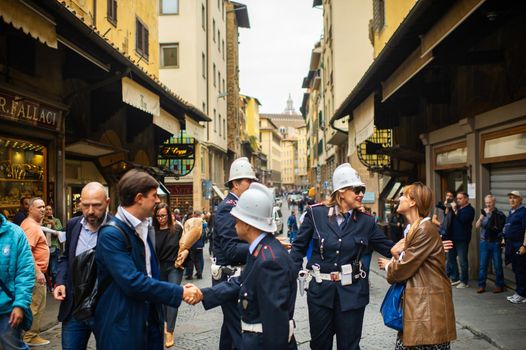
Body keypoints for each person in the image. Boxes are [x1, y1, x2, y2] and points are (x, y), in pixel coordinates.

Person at [290, 163, 394, 350]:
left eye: (362, 189)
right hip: (320, 294)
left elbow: (390, 249)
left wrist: (426, 243)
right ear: (341, 192)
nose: (361, 194)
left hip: (352, 293)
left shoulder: (367, 222)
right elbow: (297, 249)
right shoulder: (316, 214)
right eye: (356, 190)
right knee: (320, 346)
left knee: (350, 347)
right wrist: (291, 278)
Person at [93, 169, 196, 349]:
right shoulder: (111, 234)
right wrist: (178, 292)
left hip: (150, 322)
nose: (157, 201)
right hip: (123, 325)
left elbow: (150, 272)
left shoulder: (143, 226)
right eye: (154, 195)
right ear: (139, 198)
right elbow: (132, 281)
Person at [195, 183, 298, 349]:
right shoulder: (259, 249)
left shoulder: (269, 261)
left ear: (249, 224)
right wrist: (203, 294)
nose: (234, 222)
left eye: (238, 218)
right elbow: (241, 281)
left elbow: (276, 325)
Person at [378, 182, 456, 349]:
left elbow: (400, 271)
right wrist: (394, 253)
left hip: (427, 311)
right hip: (420, 307)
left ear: (413, 202)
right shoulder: (415, 228)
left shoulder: (423, 229)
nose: (399, 198)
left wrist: (388, 266)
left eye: (404, 195)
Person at [54, 182, 111, 349]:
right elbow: (65, 258)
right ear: (80, 204)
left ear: (107, 202)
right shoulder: (73, 225)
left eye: (97, 205)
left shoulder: (117, 228)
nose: (91, 211)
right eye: (86, 205)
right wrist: (61, 282)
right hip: (74, 307)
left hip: (104, 309)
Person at [211, 157, 258, 350]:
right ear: (236, 183)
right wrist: (260, 244)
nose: (252, 185)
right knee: (239, 330)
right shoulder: (227, 208)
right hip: (229, 277)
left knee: (229, 332)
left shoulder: (238, 205)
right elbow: (231, 251)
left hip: (237, 277)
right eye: (249, 181)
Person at [0, 214, 35, 350]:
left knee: (12, 345)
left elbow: (25, 273)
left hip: (7, 307)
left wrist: (20, 305)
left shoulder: (15, 233)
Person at [152, 203, 184, 348]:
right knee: (161, 298)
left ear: (169, 215)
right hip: (158, 268)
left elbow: (185, 245)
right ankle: (164, 323)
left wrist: (186, 253)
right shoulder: (152, 231)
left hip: (174, 267)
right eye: (158, 216)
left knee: (172, 296)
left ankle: (170, 330)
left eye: (163, 215)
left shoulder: (177, 229)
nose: (160, 219)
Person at [20, 198, 50, 346]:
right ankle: (30, 336)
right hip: (34, 274)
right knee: (35, 305)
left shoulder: (32, 224)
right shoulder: (31, 227)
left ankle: (30, 335)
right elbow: (27, 252)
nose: (43, 209)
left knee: (35, 305)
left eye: (44, 206)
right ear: (30, 209)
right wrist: (38, 272)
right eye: (39, 207)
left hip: (34, 272)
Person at [475, 194, 506, 293]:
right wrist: (481, 217)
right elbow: (476, 226)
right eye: (487, 203)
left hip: (495, 242)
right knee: (483, 265)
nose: (488, 205)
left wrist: (502, 240)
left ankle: (499, 285)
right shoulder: (483, 213)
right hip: (484, 242)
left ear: (494, 203)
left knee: (497, 265)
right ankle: (481, 285)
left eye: (490, 203)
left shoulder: (499, 214)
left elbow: (503, 228)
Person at [447, 191, 475, 288]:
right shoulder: (458, 208)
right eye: (457, 198)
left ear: (466, 199)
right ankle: (455, 278)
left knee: (462, 260)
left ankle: (464, 281)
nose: (458, 200)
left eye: (460, 198)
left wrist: (455, 210)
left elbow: (463, 220)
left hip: (462, 239)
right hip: (452, 238)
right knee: (451, 258)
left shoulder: (470, 210)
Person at [503, 190, 526, 304]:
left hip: (519, 244)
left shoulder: (523, 212)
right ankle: (519, 292)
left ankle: (521, 294)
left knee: (521, 270)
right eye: (510, 197)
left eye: (515, 198)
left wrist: (524, 245)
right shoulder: (512, 212)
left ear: (520, 200)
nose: (512, 200)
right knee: (516, 269)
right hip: (511, 244)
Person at [42, 205, 62, 292]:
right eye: (46, 209)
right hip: (44, 247)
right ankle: (46, 286)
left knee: (54, 269)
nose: (48, 211)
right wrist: (44, 222)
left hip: (54, 246)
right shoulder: (42, 221)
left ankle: (55, 286)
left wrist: (53, 225)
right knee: (44, 269)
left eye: (50, 209)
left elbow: (59, 232)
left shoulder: (56, 220)